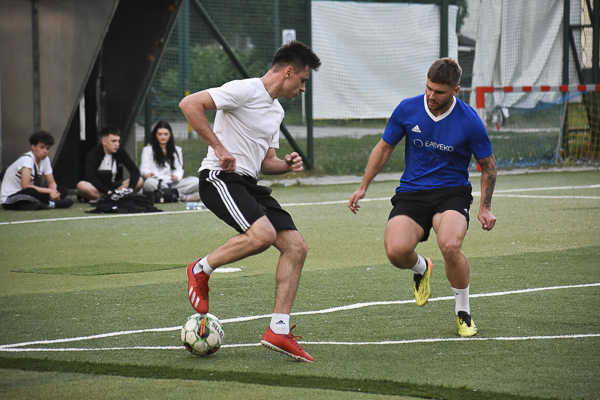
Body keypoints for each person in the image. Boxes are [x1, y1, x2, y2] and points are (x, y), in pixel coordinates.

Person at [179, 41, 321, 362]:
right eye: (303, 81)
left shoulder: (276, 110)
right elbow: (189, 104)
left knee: (296, 247)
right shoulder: (244, 90)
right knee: (263, 235)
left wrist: (285, 165)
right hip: (219, 178)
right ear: (288, 72)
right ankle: (200, 269)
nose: (302, 89)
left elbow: (266, 162)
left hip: (248, 183)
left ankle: (278, 330)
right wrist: (219, 147)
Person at [348, 58, 497, 337]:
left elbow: (488, 165)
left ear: (455, 90)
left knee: (450, 245)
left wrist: (485, 207)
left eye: (439, 92)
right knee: (396, 252)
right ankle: (422, 267)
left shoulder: (469, 121)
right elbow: (384, 148)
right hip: (412, 193)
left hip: (452, 193)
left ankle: (463, 312)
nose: (431, 95)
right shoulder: (408, 109)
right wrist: (363, 186)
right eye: (428, 88)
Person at [1, 131, 73, 210]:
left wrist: (55, 192)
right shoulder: (27, 159)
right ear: (33, 146)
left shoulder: (45, 159)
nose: (45, 151)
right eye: (42, 147)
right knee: (31, 192)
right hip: (10, 199)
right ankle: (52, 204)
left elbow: (51, 182)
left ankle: (37, 204)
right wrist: (49, 191)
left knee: (63, 190)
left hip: (28, 197)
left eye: (47, 148)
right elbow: (25, 186)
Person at [77, 125, 143, 201]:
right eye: (113, 141)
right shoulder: (94, 154)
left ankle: (109, 199)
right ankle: (110, 199)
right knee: (81, 186)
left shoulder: (121, 153)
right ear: (104, 141)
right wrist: (107, 192)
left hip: (115, 188)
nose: (117, 144)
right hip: (98, 188)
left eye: (118, 141)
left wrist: (130, 188)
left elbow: (135, 171)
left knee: (139, 180)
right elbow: (90, 176)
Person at [140, 120, 200, 202]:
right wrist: (148, 173)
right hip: (158, 182)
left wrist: (177, 176)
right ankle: (182, 197)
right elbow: (144, 168)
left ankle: (167, 195)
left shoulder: (177, 150)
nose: (163, 137)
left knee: (196, 181)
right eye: (160, 134)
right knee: (149, 183)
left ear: (170, 135)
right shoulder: (148, 149)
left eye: (165, 134)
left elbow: (179, 168)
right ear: (155, 135)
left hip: (174, 183)